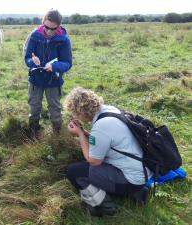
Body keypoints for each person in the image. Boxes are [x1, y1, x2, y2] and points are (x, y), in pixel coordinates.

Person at [64, 87, 149, 216]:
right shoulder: (109, 110)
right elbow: (103, 140)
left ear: (83, 112)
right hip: (141, 171)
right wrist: (84, 132)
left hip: (131, 179)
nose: (74, 116)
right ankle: (137, 192)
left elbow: (93, 161)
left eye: (75, 113)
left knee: (75, 171)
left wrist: (80, 135)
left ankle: (104, 208)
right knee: (84, 167)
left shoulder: (101, 126)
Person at [24, 9, 72, 138]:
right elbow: (27, 58)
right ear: (43, 22)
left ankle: (57, 135)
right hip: (35, 80)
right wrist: (32, 61)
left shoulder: (64, 40)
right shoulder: (34, 36)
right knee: (34, 107)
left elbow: (67, 63)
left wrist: (55, 66)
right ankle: (34, 132)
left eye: (53, 29)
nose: (49, 31)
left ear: (59, 26)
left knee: (55, 109)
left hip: (53, 81)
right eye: (46, 27)